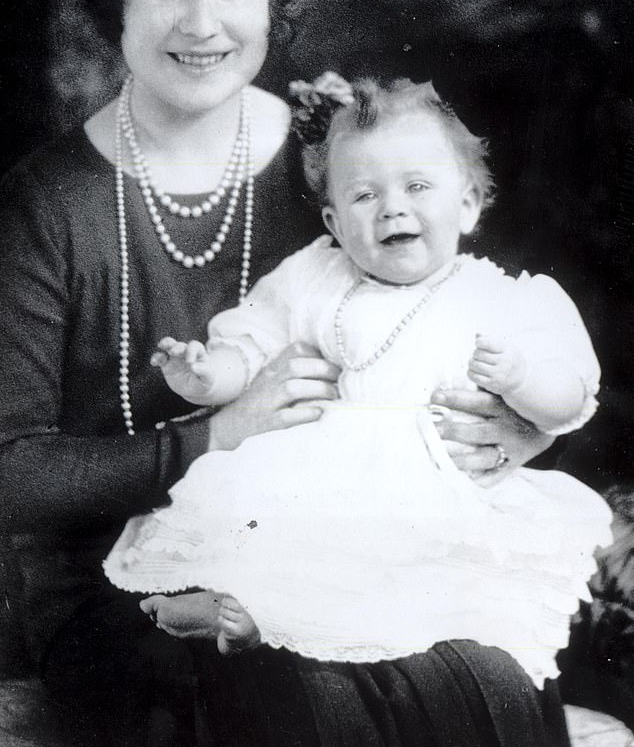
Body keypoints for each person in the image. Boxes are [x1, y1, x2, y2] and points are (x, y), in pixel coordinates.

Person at [0, 0, 571, 747]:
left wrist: (517, 424)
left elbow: (456, 312)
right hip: (128, 584)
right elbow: (10, 467)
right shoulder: (49, 203)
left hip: (372, 543)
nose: (201, 19)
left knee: (494, 677)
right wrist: (214, 436)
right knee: (298, 696)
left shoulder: (338, 164)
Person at [104, 77, 612, 690]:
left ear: (470, 204)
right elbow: (255, 340)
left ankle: (272, 622)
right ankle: (240, 610)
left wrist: (523, 378)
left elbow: (569, 399)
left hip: (433, 492)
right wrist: (207, 375)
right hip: (324, 472)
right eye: (365, 195)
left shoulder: (502, 298)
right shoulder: (318, 275)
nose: (392, 207)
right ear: (336, 223)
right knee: (283, 536)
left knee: (413, 587)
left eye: (417, 187)